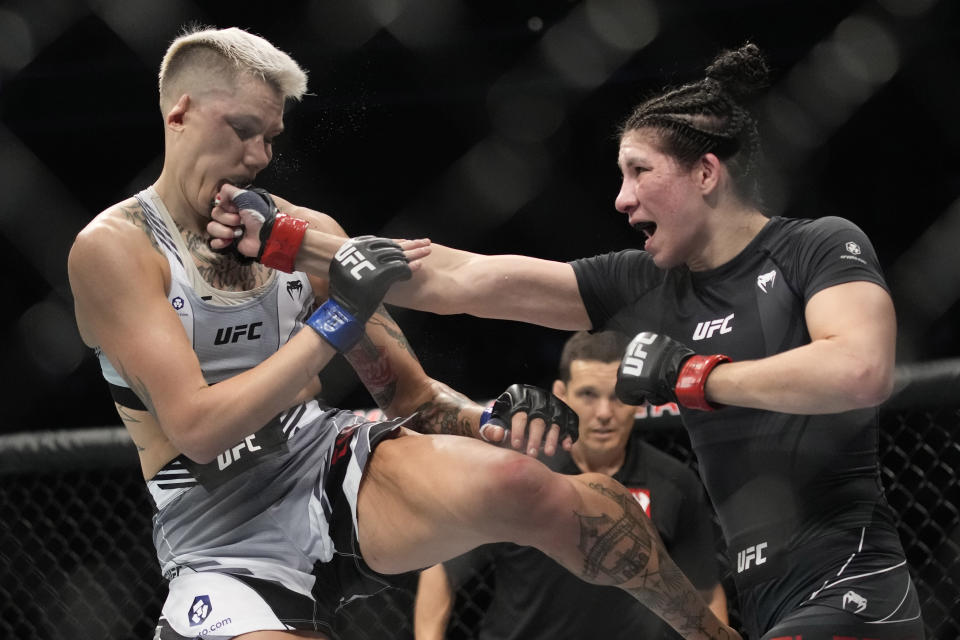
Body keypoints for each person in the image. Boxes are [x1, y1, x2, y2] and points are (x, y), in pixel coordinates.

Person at [213, 43, 925, 640]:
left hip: (855, 579)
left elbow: (860, 368)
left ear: (707, 174)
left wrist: (697, 377)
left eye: (640, 172)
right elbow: (461, 278)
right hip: (767, 597)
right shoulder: (645, 284)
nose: (621, 199)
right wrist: (287, 242)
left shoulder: (817, 247)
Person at [67, 25, 740, 640]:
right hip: (220, 532)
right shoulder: (118, 250)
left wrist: (491, 424)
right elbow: (197, 427)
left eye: (270, 137)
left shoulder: (301, 232)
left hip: (327, 468)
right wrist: (337, 318)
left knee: (526, 484)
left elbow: (411, 399)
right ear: (179, 112)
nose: (256, 156)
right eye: (241, 129)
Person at [414, 330, 728, 640]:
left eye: (617, 396)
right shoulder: (519, 474)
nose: (604, 413)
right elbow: (442, 569)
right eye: (589, 395)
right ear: (562, 394)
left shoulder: (674, 481)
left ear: (637, 399)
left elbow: (706, 593)